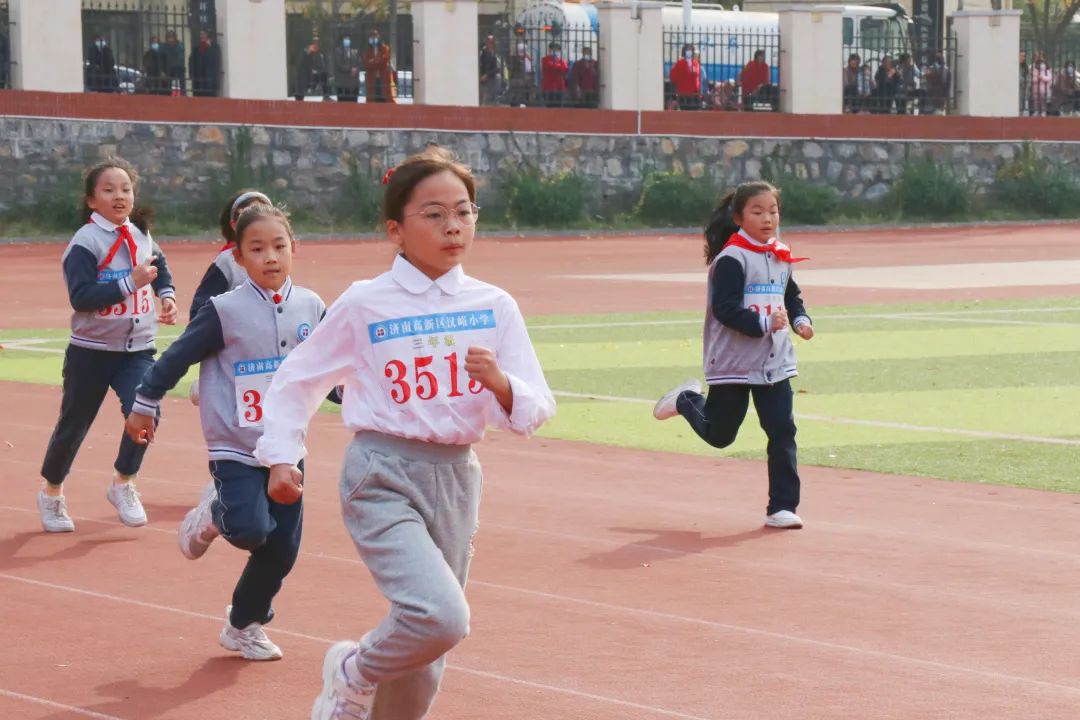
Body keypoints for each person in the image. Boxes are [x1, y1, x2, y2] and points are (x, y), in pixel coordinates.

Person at [252, 147, 555, 719]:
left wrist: (501, 383)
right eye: (435, 214)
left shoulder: (492, 304)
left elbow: (536, 408)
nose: (454, 227)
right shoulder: (367, 302)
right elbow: (300, 378)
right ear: (396, 228)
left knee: (429, 649)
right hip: (381, 472)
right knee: (441, 616)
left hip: (458, 477)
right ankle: (351, 671)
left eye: (464, 212)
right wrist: (280, 455)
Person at [125, 205, 333, 660]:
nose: (270, 257)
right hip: (235, 445)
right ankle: (216, 513)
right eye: (257, 249)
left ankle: (243, 624)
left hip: (287, 449)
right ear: (238, 258)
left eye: (279, 246)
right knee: (249, 528)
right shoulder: (224, 310)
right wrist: (144, 403)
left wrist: (362, 399)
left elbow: (327, 373)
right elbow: (177, 357)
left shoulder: (312, 307)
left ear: (294, 249)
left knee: (282, 548)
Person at [653, 180, 813, 530]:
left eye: (772, 211)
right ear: (739, 217)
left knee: (782, 429)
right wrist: (763, 322)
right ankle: (685, 399)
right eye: (757, 212)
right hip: (733, 363)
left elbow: (792, 296)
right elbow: (725, 309)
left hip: (774, 363)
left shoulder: (781, 254)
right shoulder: (731, 259)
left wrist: (800, 320)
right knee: (721, 435)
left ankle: (782, 506)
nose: (767, 218)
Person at [38, 158, 179, 533]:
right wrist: (130, 283)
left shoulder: (141, 234)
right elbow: (82, 297)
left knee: (146, 414)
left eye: (126, 189)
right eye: (109, 190)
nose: (119, 196)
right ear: (91, 200)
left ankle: (123, 482)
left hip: (137, 350)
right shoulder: (85, 243)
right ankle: (52, 492)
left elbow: (159, 266)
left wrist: (166, 295)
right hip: (91, 352)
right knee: (73, 426)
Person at [363, 30, 396, 103]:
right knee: (373, 98)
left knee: (385, 97)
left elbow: (384, 59)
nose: (373, 39)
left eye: (375, 36)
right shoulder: (368, 50)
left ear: (378, 37)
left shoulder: (385, 48)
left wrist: (373, 61)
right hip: (372, 78)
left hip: (383, 77)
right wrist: (377, 61)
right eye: (371, 37)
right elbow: (366, 63)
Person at [189, 29, 221, 97]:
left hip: (210, 81)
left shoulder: (215, 47)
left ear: (208, 35)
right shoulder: (196, 48)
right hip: (199, 81)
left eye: (204, 34)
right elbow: (191, 61)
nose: (202, 36)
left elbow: (216, 61)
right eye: (201, 34)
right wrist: (191, 74)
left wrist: (210, 47)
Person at [670, 43, 702, 110]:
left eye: (690, 49)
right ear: (684, 51)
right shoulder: (680, 63)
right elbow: (673, 77)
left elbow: (698, 77)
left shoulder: (696, 63)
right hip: (684, 96)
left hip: (695, 96)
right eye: (687, 49)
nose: (689, 51)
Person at [540, 42, 569, 108]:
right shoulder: (545, 59)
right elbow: (551, 67)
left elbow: (565, 69)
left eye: (557, 50)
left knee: (559, 107)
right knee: (549, 107)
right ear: (549, 50)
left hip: (560, 88)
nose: (555, 52)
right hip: (548, 88)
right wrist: (559, 67)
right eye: (553, 50)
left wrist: (558, 67)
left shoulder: (561, 61)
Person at [335, 36, 362, 103]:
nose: (347, 42)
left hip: (354, 85)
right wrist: (350, 69)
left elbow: (359, 63)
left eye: (348, 40)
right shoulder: (338, 51)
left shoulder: (355, 51)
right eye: (345, 40)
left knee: (353, 106)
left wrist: (356, 70)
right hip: (342, 84)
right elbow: (339, 64)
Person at [478, 34, 504, 106]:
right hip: (483, 80)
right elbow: (480, 64)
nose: (490, 44)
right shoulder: (483, 53)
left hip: (490, 79)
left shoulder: (494, 54)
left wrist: (486, 75)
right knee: (483, 99)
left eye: (491, 43)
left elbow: (495, 68)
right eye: (488, 42)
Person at [163, 29, 186, 96]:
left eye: (172, 37)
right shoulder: (164, 47)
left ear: (175, 38)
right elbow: (161, 60)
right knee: (167, 92)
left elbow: (180, 59)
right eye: (169, 38)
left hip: (179, 72)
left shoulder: (179, 46)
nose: (170, 40)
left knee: (180, 92)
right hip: (168, 72)